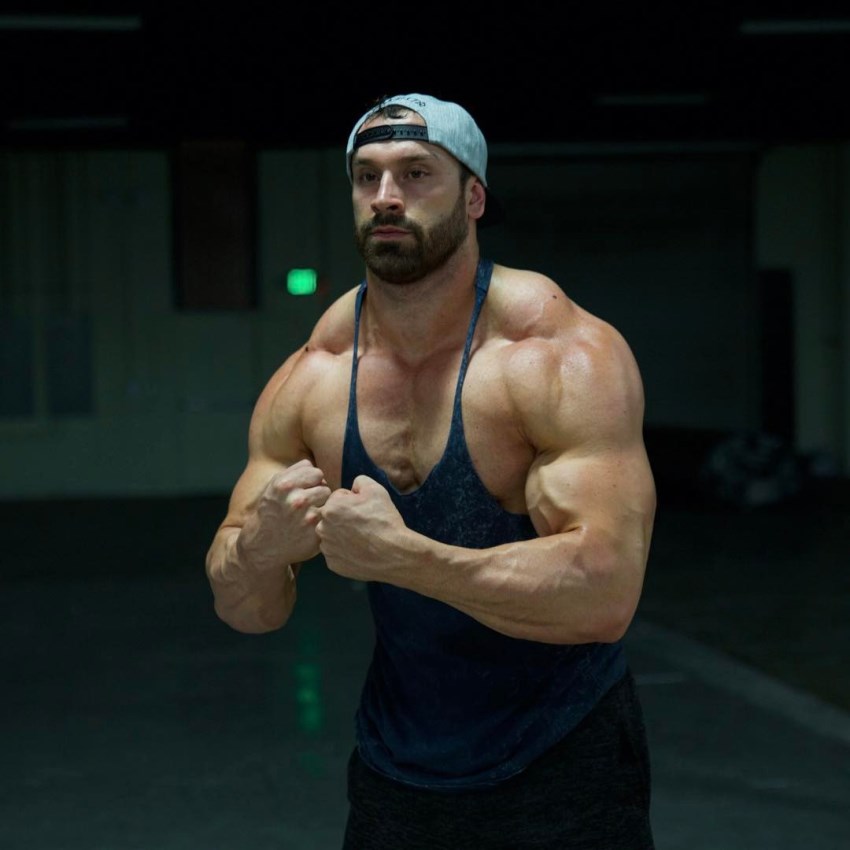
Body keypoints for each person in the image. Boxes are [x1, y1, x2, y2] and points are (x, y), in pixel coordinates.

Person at [205, 92, 657, 849]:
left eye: (417, 174)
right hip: (398, 766)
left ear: (474, 196)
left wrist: (407, 561)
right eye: (367, 176)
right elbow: (246, 608)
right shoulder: (317, 373)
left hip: (564, 755)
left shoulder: (558, 355)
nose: (386, 197)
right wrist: (260, 548)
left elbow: (605, 593)